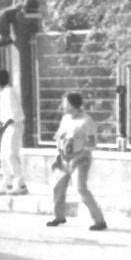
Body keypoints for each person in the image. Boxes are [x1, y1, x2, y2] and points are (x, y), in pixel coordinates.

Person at [46, 91, 107, 231]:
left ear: (73, 104)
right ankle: (59, 216)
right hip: (64, 158)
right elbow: (59, 138)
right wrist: (58, 157)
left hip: (80, 159)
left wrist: (77, 159)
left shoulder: (87, 121)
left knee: (81, 189)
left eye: (65, 103)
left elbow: (91, 144)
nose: (63, 106)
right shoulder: (65, 119)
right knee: (57, 187)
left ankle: (99, 220)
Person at [0, 67, 28, 195]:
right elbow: (5, 114)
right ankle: (7, 182)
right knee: (2, 156)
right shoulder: (3, 93)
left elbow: (14, 115)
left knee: (11, 154)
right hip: (8, 126)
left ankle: (21, 184)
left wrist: (2, 127)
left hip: (15, 126)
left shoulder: (9, 92)